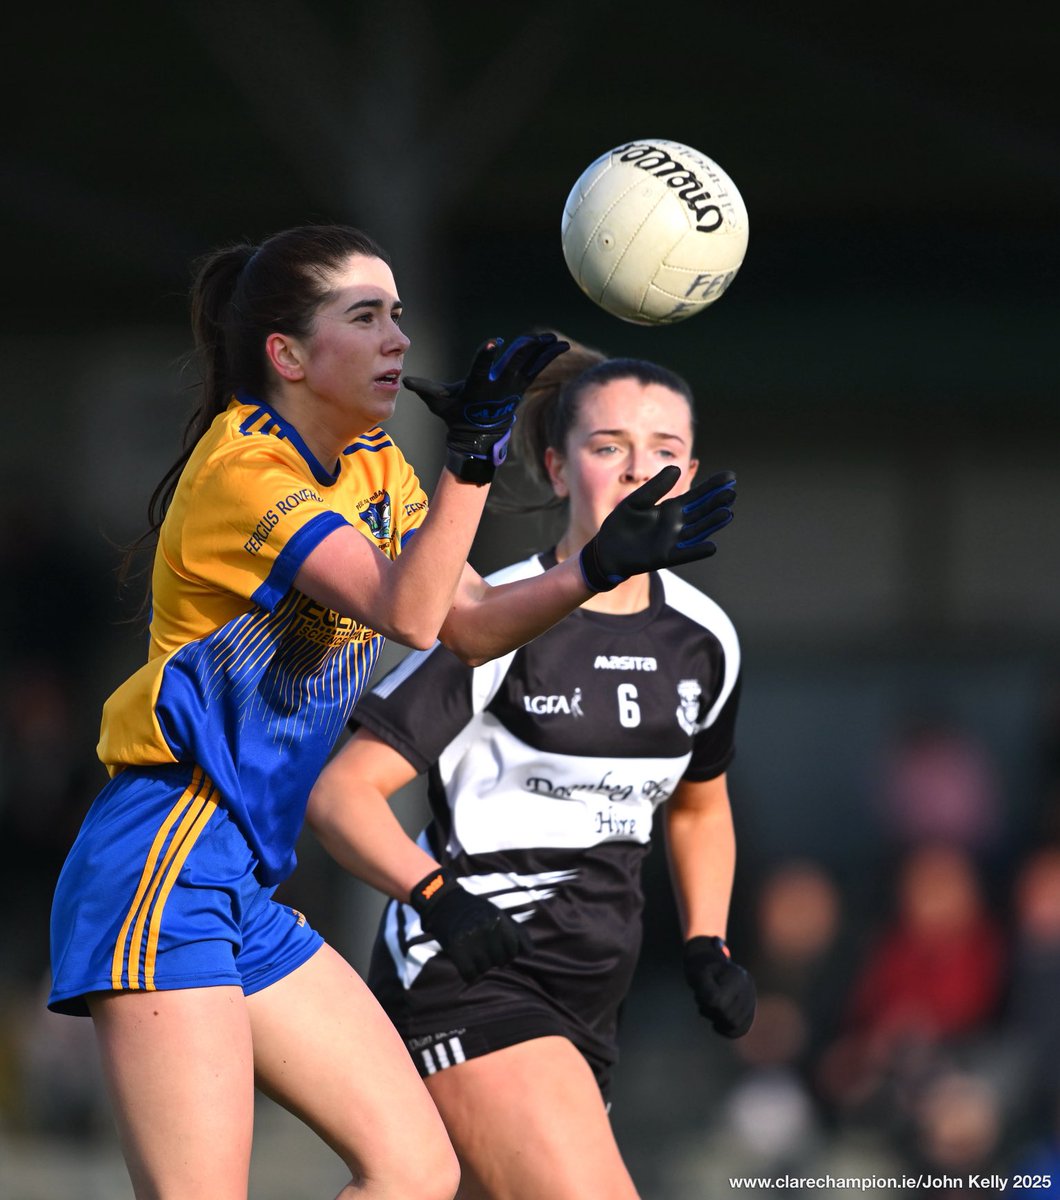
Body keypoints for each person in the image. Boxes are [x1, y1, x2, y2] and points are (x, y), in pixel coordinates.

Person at [47, 226, 737, 1200]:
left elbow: (466, 625)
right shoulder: (243, 472)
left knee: (414, 1169)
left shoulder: (374, 464)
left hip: (243, 881)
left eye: (399, 315)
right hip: (163, 859)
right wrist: (473, 459)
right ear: (287, 356)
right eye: (364, 317)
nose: (397, 339)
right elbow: (409, 613)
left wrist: (597, 567)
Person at [308, 336, 755, 1200]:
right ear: (555, 469)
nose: (637, 473)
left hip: (591, 1004)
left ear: (692, 473)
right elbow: (342, 795)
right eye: (608, 448)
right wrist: (440, 900)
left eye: (663, 452)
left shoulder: (707, 639)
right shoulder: (495, 620)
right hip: (474, 980)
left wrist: (708, 941)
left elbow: (702, 806)